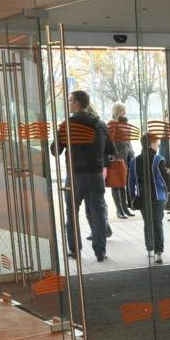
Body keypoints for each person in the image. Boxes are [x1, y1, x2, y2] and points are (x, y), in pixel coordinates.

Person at [51, 90, 115, 261]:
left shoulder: (67, 125)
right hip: (95, 175)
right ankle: (100, 252)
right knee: (98, 213)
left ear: (77, 103)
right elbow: (111, 150)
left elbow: (55, 151)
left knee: (72, 213)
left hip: (75, 176)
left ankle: (74, 250)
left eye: (70, 101)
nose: (68, 103)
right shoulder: (100, 124)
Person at [128, 132, 170, 264]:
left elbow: (130, 182)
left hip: (142, 197)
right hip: (159, 197)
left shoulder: (134, 161)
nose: (158, 145)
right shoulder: (158, 160)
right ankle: (159, 252)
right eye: (157, 142)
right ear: (152, 143)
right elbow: (166, 179)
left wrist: (132, 198)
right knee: (157, 223)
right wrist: (169, 191)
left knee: (148, 223)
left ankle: (150, 248)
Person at [107, 103, 135, 219]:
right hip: (117, 158)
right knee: (116, 183)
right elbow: (110, 140)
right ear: (117, 111)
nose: (124, 112)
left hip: (126, 157)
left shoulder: (125, 124)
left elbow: (128, 141)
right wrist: (115, 154)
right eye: (122, 110)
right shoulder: (112, 123)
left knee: (123, 183)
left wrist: (132, 154)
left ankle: (125, 208)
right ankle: (119, 210)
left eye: (125, 110)